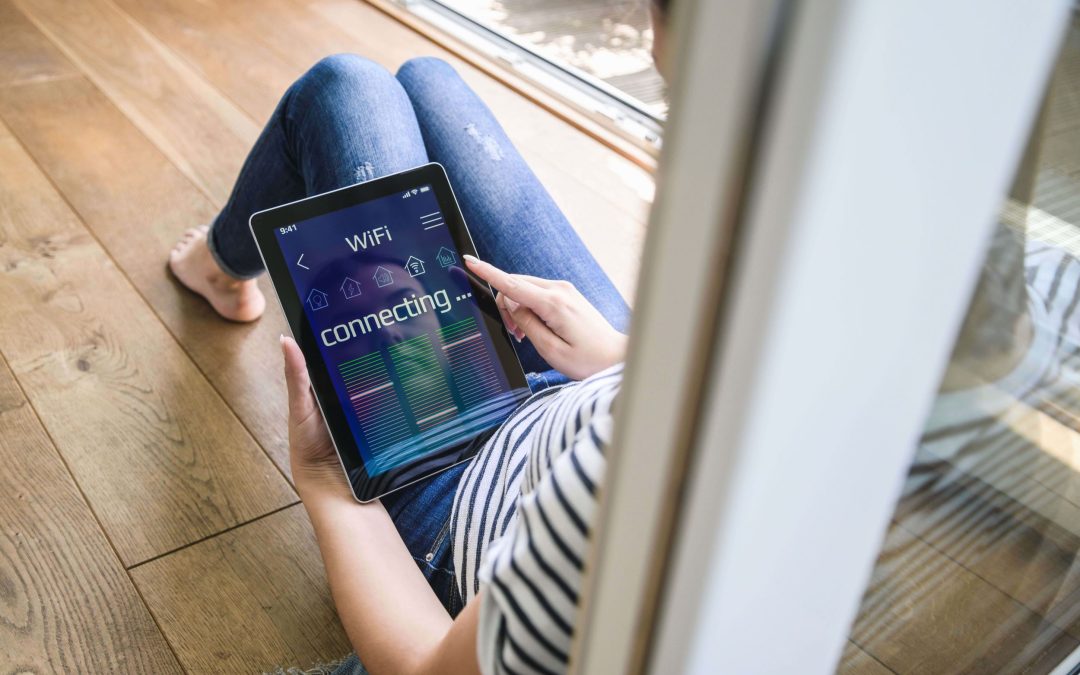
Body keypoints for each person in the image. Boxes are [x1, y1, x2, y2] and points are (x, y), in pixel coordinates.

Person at [168, 2, 670, 672]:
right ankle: (223, 261)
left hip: (464, 496)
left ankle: (220, 264)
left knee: (346, 88)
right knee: (428, 79)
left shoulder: (598, 528)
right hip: (601, 387)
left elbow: (428, 667)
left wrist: (325, 481)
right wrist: (615, 355)